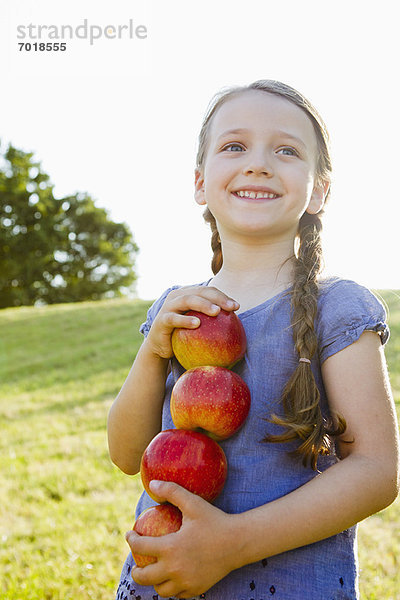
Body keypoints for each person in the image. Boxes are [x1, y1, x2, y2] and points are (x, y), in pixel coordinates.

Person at [107, 80, 400, 600]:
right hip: (167, 581)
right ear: (200, 182)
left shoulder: (338, 307)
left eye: (286, 150)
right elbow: (129, 453)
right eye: (234, 146)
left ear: (321, 190)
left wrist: (232, 544)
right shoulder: (177, 310)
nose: (259, 163)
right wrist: (153, 349)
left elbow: (377, 471)